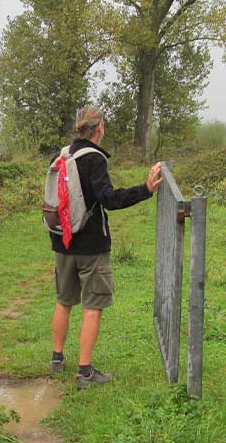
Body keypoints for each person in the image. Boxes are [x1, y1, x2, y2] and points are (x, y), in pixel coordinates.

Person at [49, 106, 163, 388]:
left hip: (62, 241)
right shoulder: (95, 159)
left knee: (64, 301)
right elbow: (109, 199)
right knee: (92, 306)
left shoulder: (61, 155)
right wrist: (145, 190)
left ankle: (56, 359)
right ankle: (85, 373)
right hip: (91, 247)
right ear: (99, 128)